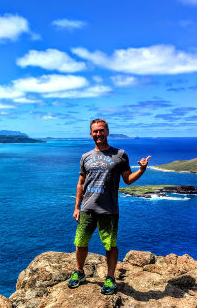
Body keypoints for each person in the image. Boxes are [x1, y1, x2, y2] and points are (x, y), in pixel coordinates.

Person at [67, 118, 151, 295]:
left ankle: (110, 277)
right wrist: (76, 207)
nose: (98, 134)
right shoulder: (85, 157)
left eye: (101, 130)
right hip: (87, 208)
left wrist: (142, 170)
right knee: (80, 243)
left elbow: (127, 180)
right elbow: (81, 183)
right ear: (91, 134)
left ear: (107, 132)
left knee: (110, 245)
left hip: (109, 209)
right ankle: (79, 272)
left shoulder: (120, 154)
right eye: (95, 131)